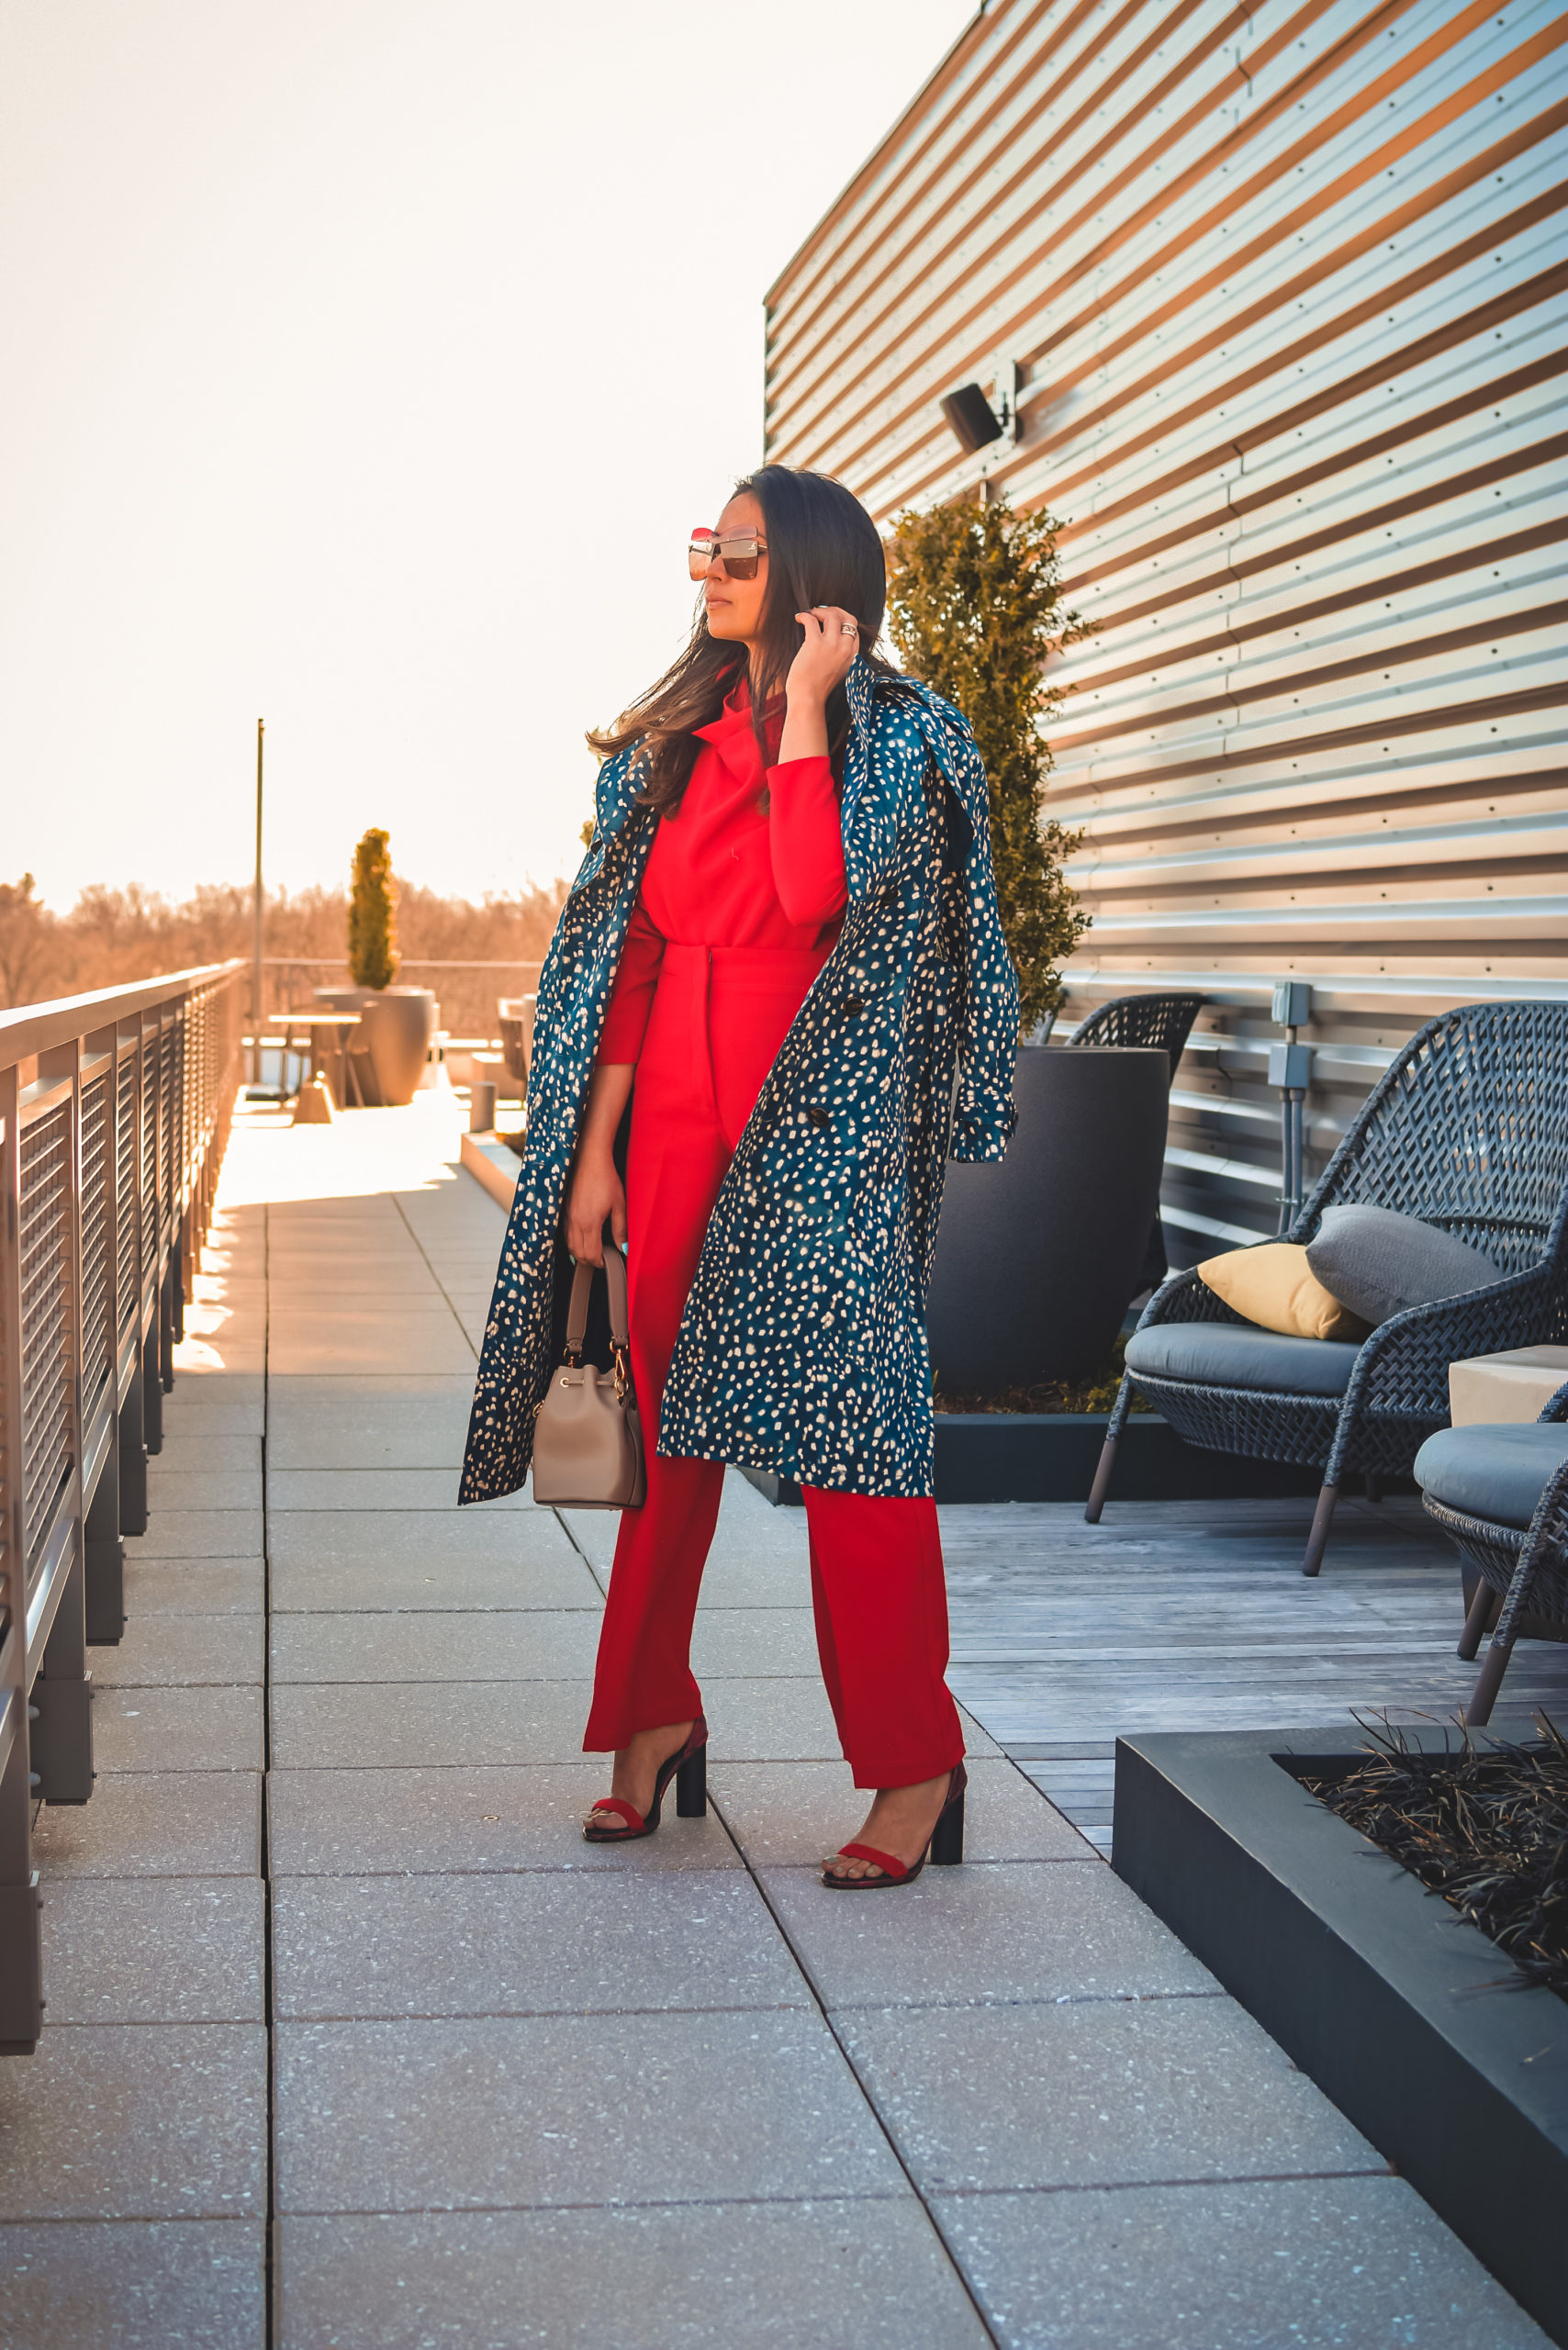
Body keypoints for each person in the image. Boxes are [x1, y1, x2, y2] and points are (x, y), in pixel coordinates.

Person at [460, 464, 1019, 1886]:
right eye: (707, 544)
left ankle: (915, 1764)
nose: (711, 567)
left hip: (816, 1127)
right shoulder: (669, 747)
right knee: (668, 1450)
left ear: (814, 575)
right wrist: (592, 1157)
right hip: (675, 1123)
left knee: (861, 1446)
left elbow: (817, 893)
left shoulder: (895, 735)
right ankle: (650, 1720)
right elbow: (633, 965)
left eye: (743, 550)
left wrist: (812, 714)